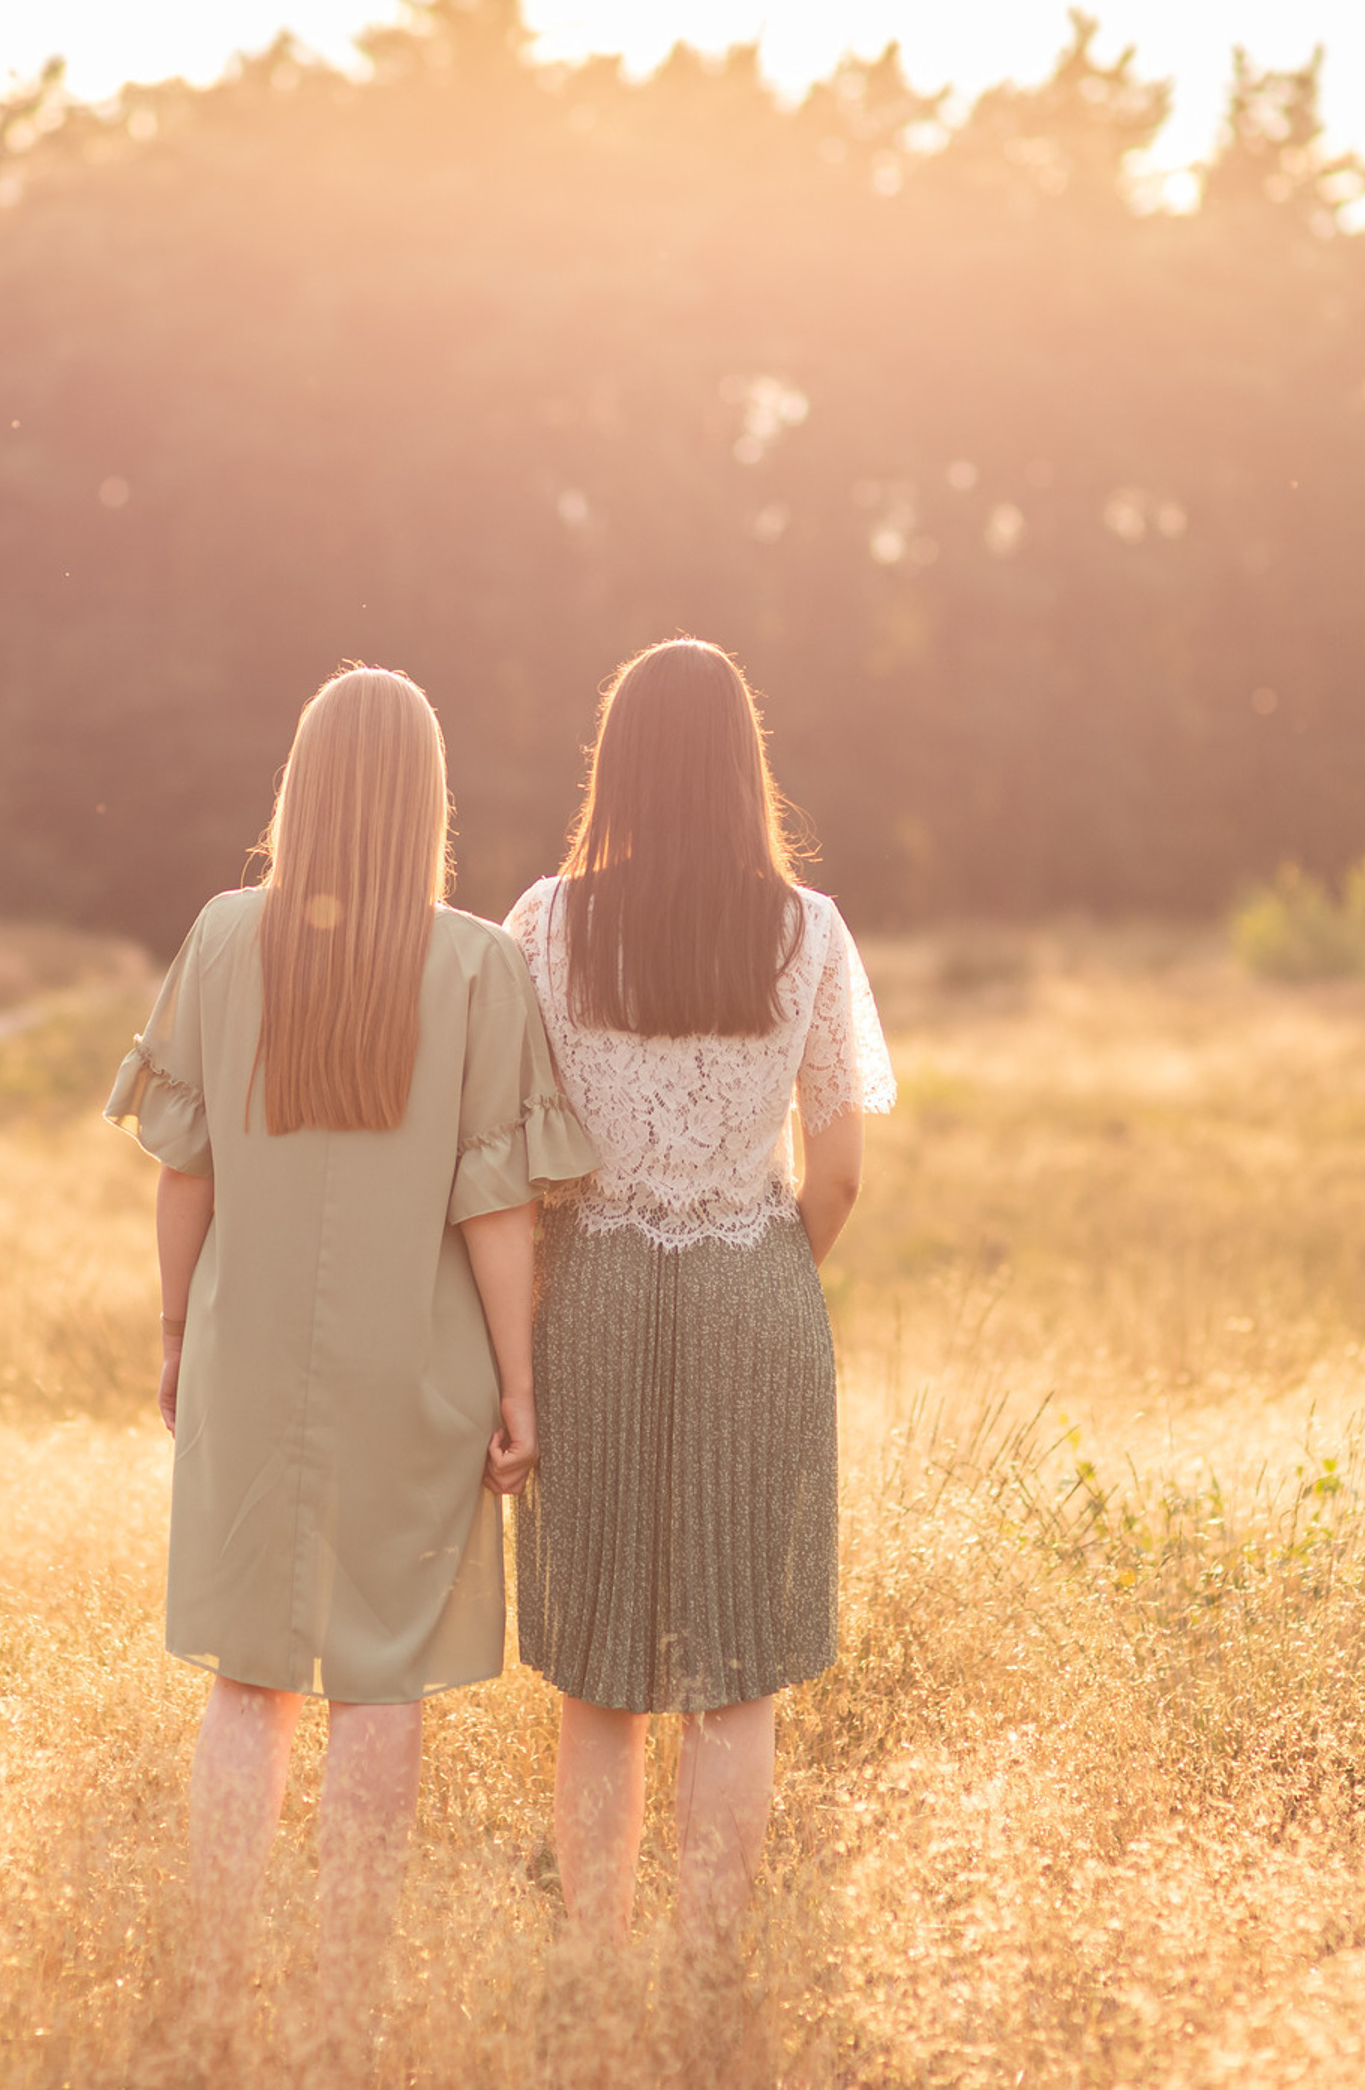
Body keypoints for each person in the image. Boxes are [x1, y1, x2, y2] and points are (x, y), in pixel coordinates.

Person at [106, 664, 594, 2057]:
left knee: (249, 1674)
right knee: (381, 1680)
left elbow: (185, 1172)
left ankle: (214, 1992)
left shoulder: (221, 937)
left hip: (250, 1352)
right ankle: (344, 2009)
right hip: (415, 1370)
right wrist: (519, 1387)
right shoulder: (477, 966)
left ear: (301, 788)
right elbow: (495, 1207)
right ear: (428, 800)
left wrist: (177, 1335)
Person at [505, 638, 895, 1963]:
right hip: (756, 1291)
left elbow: (510, 1148)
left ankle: (594, 1958)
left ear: (615, 762)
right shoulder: (810, 929)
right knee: (741, 1663)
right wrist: (764, 1266)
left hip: (590, 1292)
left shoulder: (544, 923)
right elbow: (838, 1174)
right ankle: (711, 1965)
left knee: (599, 1664)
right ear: (744, 764)